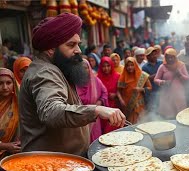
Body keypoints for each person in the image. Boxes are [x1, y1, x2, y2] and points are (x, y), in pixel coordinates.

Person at [19, 13, 125, 160]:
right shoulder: (45, 72)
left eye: (78, 44)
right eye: (71, 45)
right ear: (50, 48)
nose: (79, 50)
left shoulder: (57, 67)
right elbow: (51, 111)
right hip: (51, 168)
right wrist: (96, 109)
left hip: (66, 164)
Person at [76, 60, 109, 142]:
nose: (84, 70)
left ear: (89, 68)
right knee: (82, 140)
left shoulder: (95, 80)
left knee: (95, 139)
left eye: (86, 68)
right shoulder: (74, 83)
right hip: (81, 116)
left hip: (94, 117)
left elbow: (104, 92)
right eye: (81, 68)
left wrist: (100, 101)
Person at [154, 48, 189, 119]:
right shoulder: (162, 66)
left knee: (180, 116)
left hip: (178, 94)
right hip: (166, 95)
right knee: (168, 117)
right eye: (168, 57)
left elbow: (187, 78)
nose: (170, 59)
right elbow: (156, 79)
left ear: (175, 57)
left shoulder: (181, 65)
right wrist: (162, 82)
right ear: (165, 57)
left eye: (172, 57)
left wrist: (179, 75)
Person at [117, 57, 152, 124]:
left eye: (132, 65)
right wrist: (121, 100)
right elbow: (118, 90)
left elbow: (150, 88)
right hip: (127, 105)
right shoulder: (123, 76)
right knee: (130, 124)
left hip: (139, 104)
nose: (130, 67)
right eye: (128, 65)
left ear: (135, 65)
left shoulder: (142, 75)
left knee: (141, 123)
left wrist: (141, 89)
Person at [0, 68, 21, 171]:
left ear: (14, 84)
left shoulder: (20, 104)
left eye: (8, 83)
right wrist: (5, 146)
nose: (5, 87)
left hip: (13, 154)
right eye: (0, 83)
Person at [97, 56, 121, 133]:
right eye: (104, 66)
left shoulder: (117, 76)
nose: (106, 68)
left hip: (115, 105)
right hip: (103, 107)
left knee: (115, 127)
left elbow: (121, 91)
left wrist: (116, 95)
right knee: (104, 130)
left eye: (108, 66)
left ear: (111, 66)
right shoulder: (97, 78)